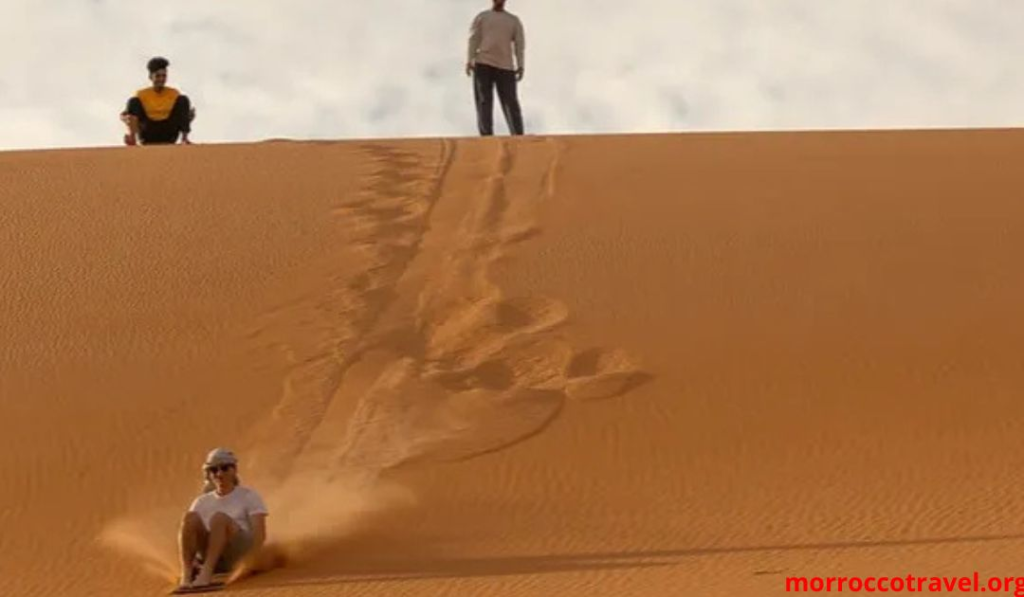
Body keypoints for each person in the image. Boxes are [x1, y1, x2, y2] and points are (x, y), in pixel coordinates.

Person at [176, 448, 268, 592]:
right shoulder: (201, 501)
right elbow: (190, 533)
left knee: (219, 518)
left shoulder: (249, 496)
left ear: (234, 470)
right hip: (213, 557)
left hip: (239, 553)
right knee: (189, 517)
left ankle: (206, 574)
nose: (219, 474)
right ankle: (186, 576)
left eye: (225, 468)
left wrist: (251, 563)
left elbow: (259, 535)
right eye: (213, 470)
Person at [466, 0, 526, 136]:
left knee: (511, 102)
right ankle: (486, 136)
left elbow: (519, 44)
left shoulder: (513, 21)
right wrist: (469, 60)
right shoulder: (482, 17)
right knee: (484, 101)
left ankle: (518, 135)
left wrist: (521, 65)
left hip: (506, 67)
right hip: (483, 63)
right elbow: (474, 39)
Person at [121, 57, 195, 146]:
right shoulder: (141, 94)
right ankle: (132, 138)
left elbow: (181, 115)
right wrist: (125, 118)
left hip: (168, 133)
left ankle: (185, 139)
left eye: (164, 76)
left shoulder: (174, 93)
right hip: (148, 133)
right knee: (133, 101)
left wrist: (187, 118)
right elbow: (126, 114)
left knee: (183, 99)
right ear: (150, 77)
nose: (161, 79)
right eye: (158, 76)